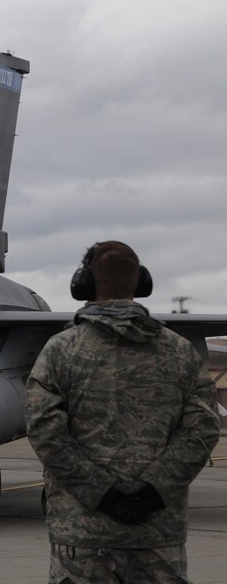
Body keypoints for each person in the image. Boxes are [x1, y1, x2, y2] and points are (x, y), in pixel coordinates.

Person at [26, 241, 220, 583]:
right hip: (157, 535)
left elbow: (45, 431)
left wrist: (103, 493)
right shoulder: (179, 353)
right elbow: (202, 428)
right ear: (141, 282)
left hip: (84, 537)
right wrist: (151, 492)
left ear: (83, 283)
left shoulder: (60, 351)